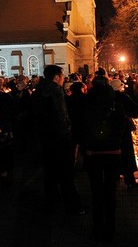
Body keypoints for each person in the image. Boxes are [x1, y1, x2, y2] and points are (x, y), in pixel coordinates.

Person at [35, 65, 86, 215]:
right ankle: (74, 206)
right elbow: (61, 115)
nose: (63, 80)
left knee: (50, 172)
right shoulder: (55, 91)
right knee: (66, 173)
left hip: (45, 137)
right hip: (59, 137)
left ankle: (53, 200)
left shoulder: (38, 91)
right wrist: (67, 128)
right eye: (62, 77)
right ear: (56, 77)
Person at [83, 75, 126, 241]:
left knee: (96, 192)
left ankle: (97, 225)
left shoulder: (87, 109)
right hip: (113, 154)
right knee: (110, 192)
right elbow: (122, 128)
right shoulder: (117, 108)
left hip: (93, 154)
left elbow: (83, 130)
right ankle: (110, 228)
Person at [109, 78, 138, 189]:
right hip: (123, 128)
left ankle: (114, 177)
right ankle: (130, 180)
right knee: (126, 153)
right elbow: (136, 110)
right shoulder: (122, 97)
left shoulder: (107, 97)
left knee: (113, 152)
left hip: (109, 129)